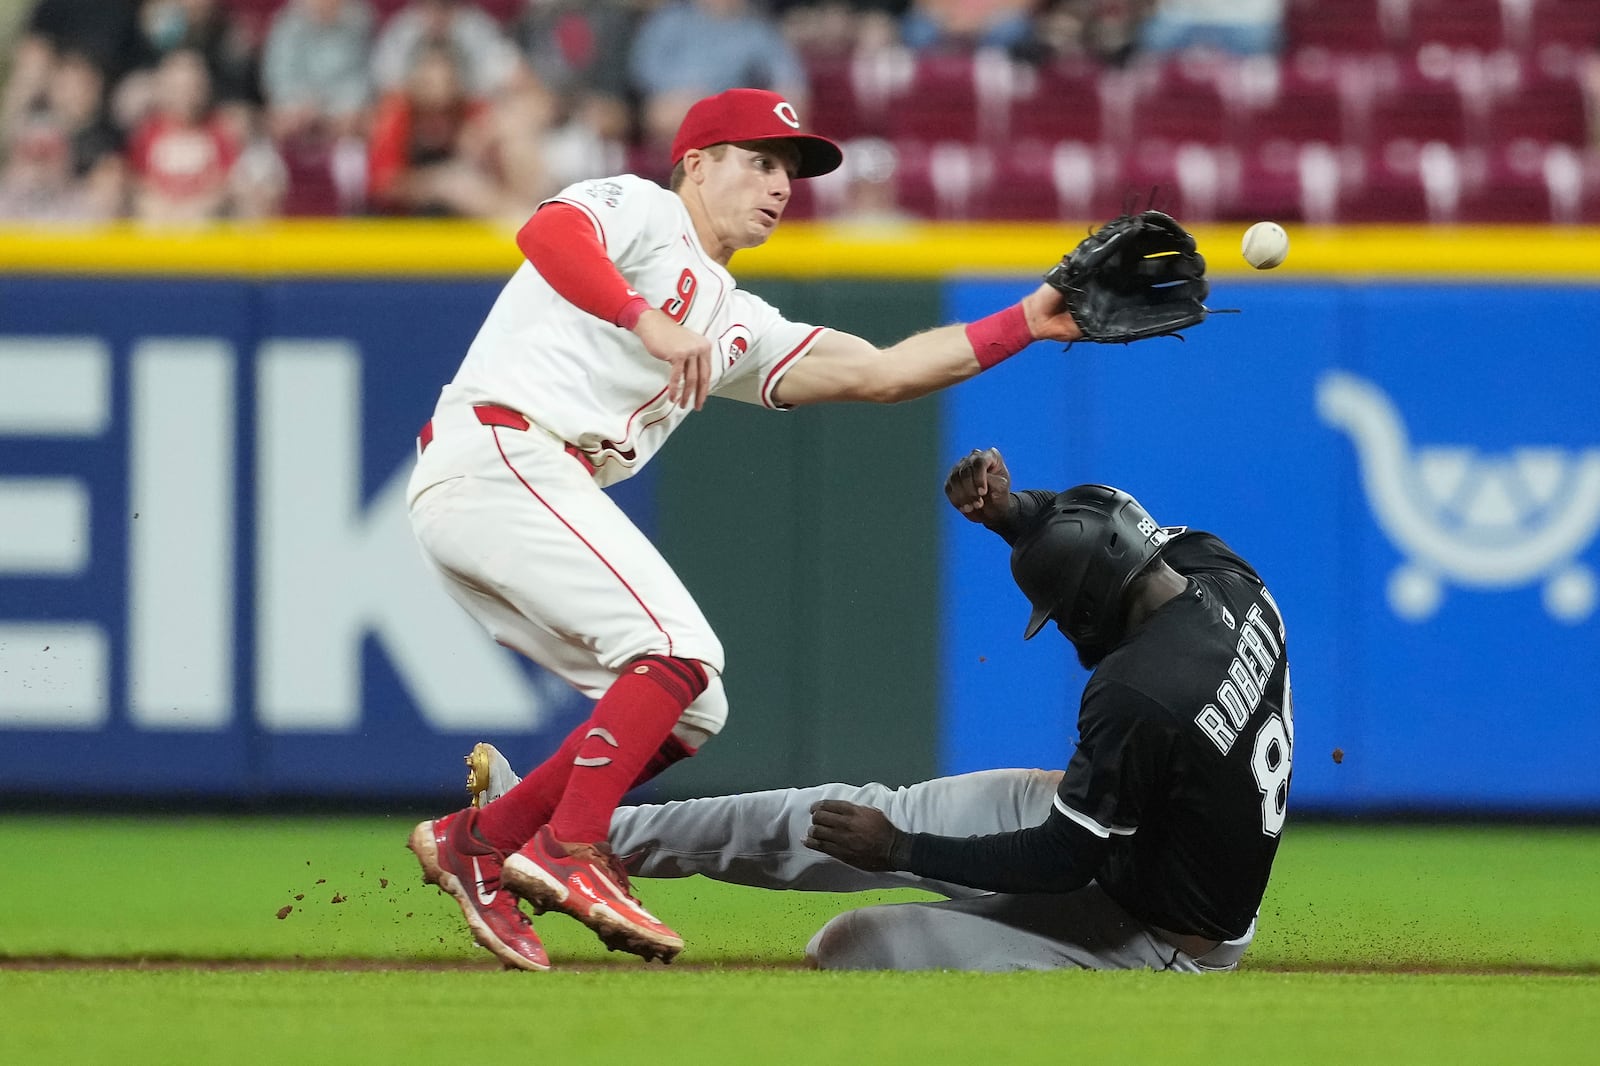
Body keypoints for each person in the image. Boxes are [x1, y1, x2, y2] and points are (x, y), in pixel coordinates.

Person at [403, 87, 1093, 973]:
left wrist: (1027, 322)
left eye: (792, 171)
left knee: (694, 704)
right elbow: (546, 235)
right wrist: (642, 315)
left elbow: (882, 372)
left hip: (522, 484)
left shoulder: (736, 320)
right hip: (499, 452)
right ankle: (570, 850)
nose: (780, 184)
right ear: (696, 162)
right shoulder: (643, 212)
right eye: (760, 160)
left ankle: (482, 842)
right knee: (677, 648)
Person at [464, 446, 1294, 971]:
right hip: (1135, 825)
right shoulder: (1228, 579)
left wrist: (903, 848)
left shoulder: (1137, 692)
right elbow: (1095, 536)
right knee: (835, 817)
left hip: (1152, 929)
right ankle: (565, 834)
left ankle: (570, 839)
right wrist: (1017, 516)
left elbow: (1061, 861)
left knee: (855, 944)